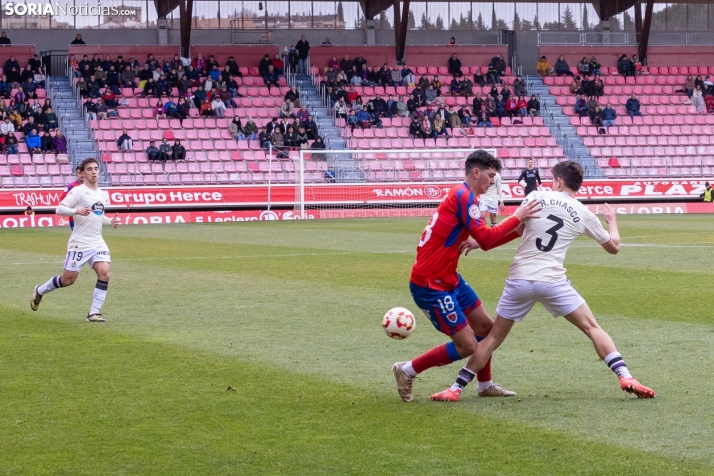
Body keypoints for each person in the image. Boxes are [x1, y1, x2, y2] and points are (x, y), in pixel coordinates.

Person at [432, 161, 656, 402]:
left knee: (493, 338)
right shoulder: (583, 212)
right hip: (552, 280)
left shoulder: (537, 196)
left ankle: (455, 388)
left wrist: (481, 244)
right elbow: (613, 248)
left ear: (558, 181)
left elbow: (517, 229)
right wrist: (612, 222)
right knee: (593, 328)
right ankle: (625, 376)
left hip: (520, 280)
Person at [391, 150, 541, 403]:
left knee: (486, 327)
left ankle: (485, 385)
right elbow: (486, 238)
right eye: (490, 175)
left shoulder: (464, 196)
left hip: (447, 277)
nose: (493, 180)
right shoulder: (464, 197)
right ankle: (407, 370)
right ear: (476, 172)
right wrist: (517, 217)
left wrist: (516, 231)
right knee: (468, 346)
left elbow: (485, 241)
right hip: (430, 284)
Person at [31, 158, 121, 323]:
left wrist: (110, 222)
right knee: (67, 281)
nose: (93, 172)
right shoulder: (79, 191)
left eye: (95, 169)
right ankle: (40, 291)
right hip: (80, 243)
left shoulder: (101, 194)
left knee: (105, 274)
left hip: (97, 241)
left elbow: (98, 216)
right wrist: (76, 210)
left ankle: (93, 313)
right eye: (89, 169)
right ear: (83, 173)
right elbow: (59, 209)